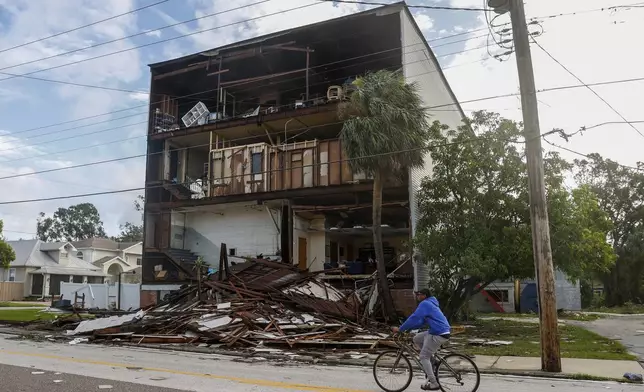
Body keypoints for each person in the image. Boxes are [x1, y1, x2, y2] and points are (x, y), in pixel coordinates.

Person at [391, 289, 451, 391]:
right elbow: (421, 322)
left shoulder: (425, 304)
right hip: (439, 331)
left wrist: (400, 329)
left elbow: (414, 317)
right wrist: (408, 329)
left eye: (418, 294)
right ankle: (433, 361)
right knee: (416, 338)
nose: (417, 296)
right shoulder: (431, 303)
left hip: (438, 333)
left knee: (423, 356)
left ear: (424, 295)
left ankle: (434, 383)